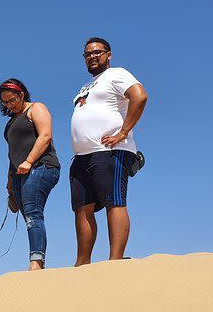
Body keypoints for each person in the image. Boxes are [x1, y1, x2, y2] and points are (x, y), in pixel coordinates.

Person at [70, 37, 148, 265]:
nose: (92, 57)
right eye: (88, 54)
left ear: (109, 54)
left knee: (114, 202)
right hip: (81, 156)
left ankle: (115, 260)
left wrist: (123, 132)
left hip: (110, 151)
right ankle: (82, 263)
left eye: (97, 52)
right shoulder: (85, 87)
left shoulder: (117, 74)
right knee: (81, 209)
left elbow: (139, 95)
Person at [0, 79, 60, 270]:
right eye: (5, 102)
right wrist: (9, 182)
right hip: (19, 174)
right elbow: (12, 153)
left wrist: (29, 160)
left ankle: (36, 262)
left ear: (22, 94)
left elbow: (45, 136)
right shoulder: (10, 123)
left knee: (33, 213)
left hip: (41, 166)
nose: (9, 105)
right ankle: (37, 259)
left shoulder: (36, 108)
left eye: (12, 100)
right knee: (28, 217)